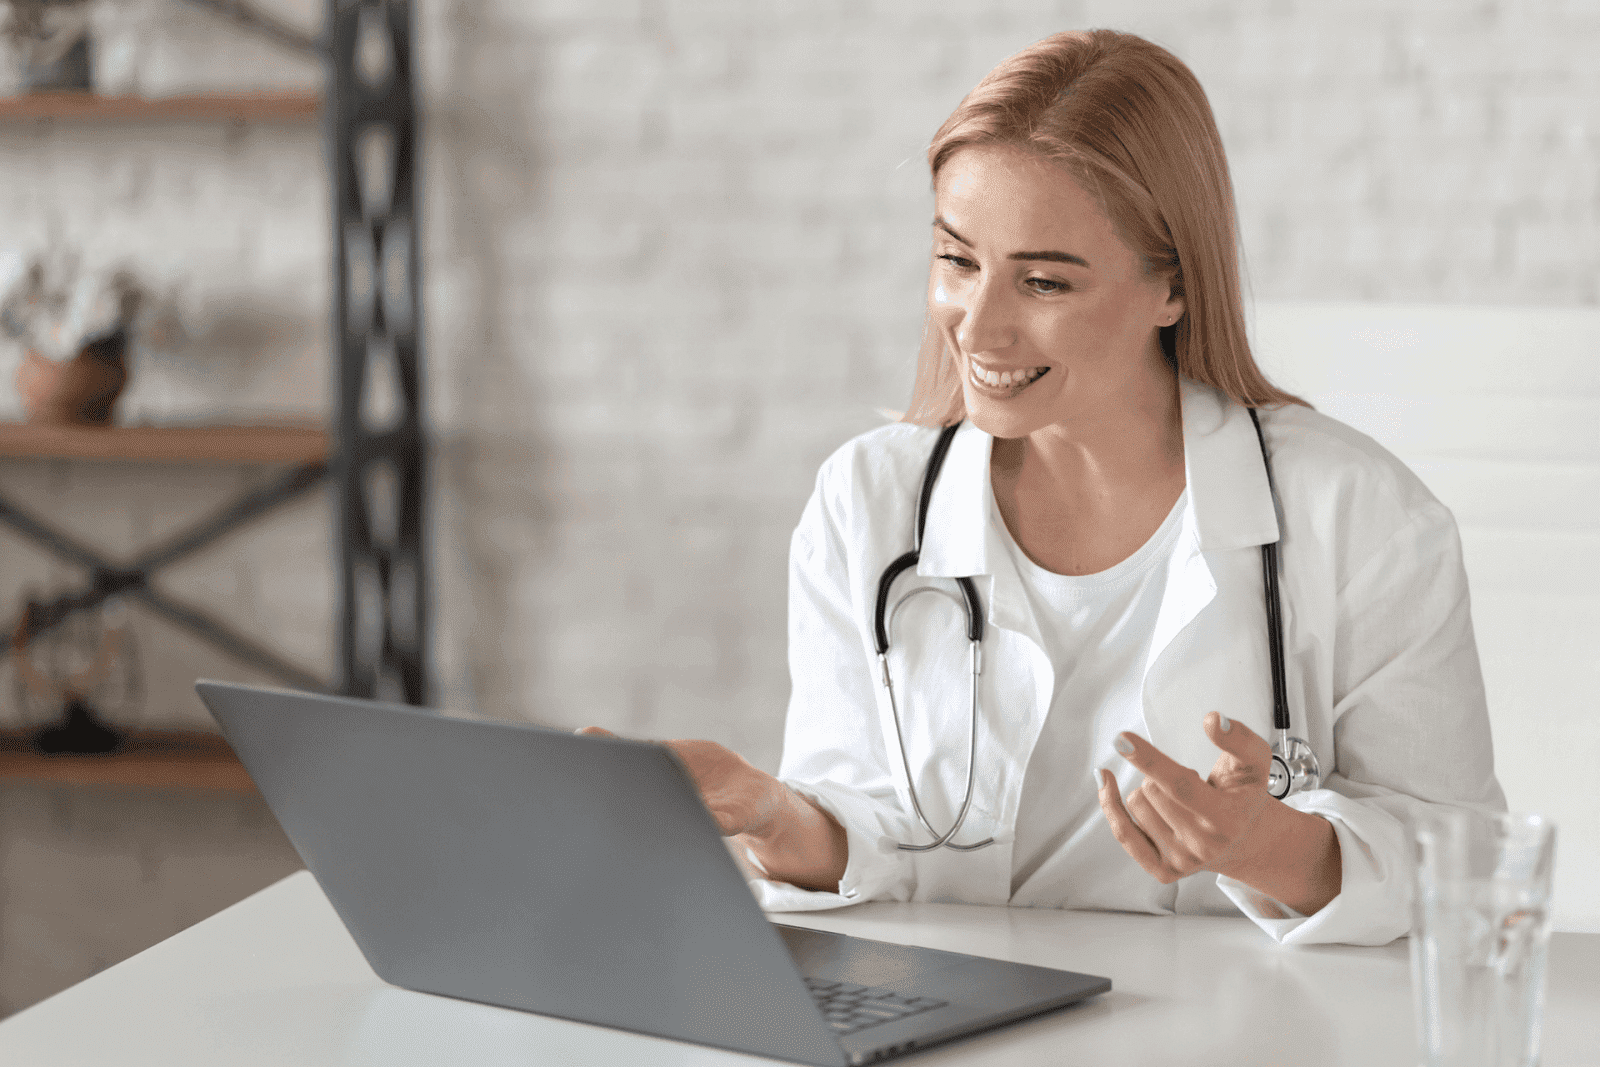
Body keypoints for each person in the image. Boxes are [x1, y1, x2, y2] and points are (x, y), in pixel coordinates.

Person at [581, 29, 1504, 946]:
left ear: (1171, 289)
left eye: (1045, 283)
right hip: (958, 1024)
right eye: (957, 260)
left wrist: (1272, 847)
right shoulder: (866, 502)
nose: (979, 326)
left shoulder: (1363, 517)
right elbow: (872, 845)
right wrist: (771, 813)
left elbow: (1465, 860)